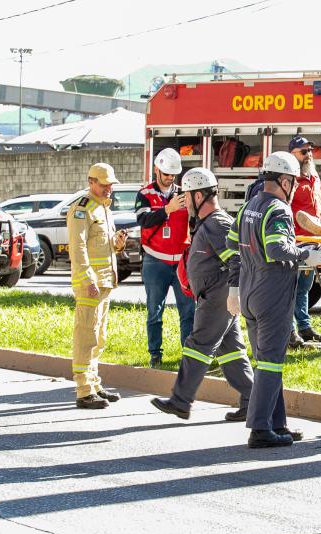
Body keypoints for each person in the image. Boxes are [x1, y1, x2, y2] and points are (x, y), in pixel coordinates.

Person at [228, 152, 321, 448]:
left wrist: (235, 283)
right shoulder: (278, 209)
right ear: (284, 181)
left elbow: (232, 242)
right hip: (271, 294)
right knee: (271, 363)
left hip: (249, 292)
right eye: (294, 183)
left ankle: (277, 423)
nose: (295, 188)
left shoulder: (250, 206)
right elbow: (276, 249)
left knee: (266, 361)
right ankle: (260, 429)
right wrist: (305, 255)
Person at [150, 168, 254, 421]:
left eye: (187, 196)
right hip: (216, 296)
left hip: (218, 297)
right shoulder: (209, 223)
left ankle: (180, 400)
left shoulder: (217, 223)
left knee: (198, 346)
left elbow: (237, 259)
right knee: (231, 351)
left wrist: (233, 293)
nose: (185, 203)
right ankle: (252, 401)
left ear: (199, 196)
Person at [69, 163, 128, 409]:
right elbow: (78, 247)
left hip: (104, 281)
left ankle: (94, 384)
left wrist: (118, 243)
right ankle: (84, 390)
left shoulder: (103, 208)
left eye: (110, 185)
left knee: (99, 335)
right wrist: (86, 279)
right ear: (91, 182)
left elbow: (101, 245)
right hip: (90, 283)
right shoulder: (82, 209)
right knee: (86, 335)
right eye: (104, 185)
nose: (108, 189)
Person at [135, 148, 195, 368]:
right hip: (155, 260)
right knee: (155, 310)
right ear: (156, 170)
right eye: (166, 173)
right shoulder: (145, 194)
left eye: (173, 174)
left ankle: (188, 355)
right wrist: (167, 209)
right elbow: (144, 221)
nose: (170, 178)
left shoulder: (184, 192)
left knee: (188, 311)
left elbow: (195, 221)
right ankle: (155, 354)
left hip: (181, 259)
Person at [288, 136, 321, 347]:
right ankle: (290, 332)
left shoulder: (313, 176)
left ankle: (304, 327)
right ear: (292, 154)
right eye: (303, 152)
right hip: (296, 239)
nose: (309, 155)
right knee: (290, 287)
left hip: (312, 240)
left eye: (310, 151)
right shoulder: (290, 179)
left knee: (304, 286)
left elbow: (318, 207)